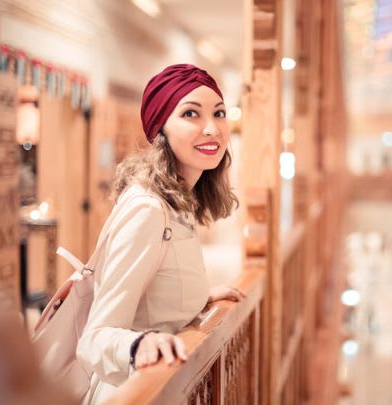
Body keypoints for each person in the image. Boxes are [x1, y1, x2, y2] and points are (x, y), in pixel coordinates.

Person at [77, 64, 245, 404]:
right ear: (161, 129)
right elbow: (94, 338)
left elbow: (153, 297)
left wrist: (199, 299)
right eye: (190, 114)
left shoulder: (177, 202)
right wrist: (141, 344)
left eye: (219, 112)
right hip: (134, 392)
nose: (212, 128)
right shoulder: (148, 209)